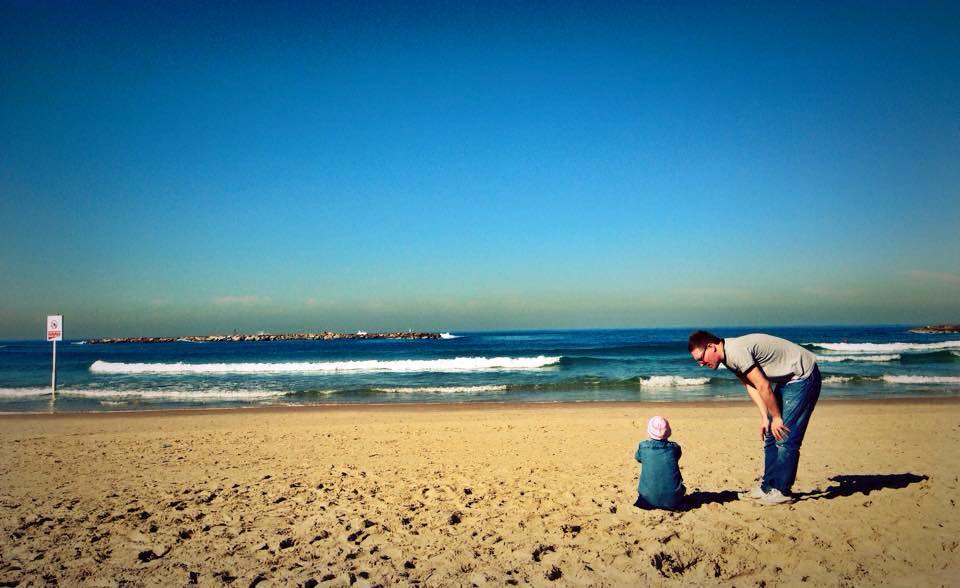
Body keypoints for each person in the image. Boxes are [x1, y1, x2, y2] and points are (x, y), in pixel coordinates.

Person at [688, 330, 821, 505]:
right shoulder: (727, 356)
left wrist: (777, 417)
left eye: (701, 358)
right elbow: (751, 385)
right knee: (770, 435)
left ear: (711, 347)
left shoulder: (735, 352)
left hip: (803, 377)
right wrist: (765, 417)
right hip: (787, 380)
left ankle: (782, 491)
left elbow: (763, 385)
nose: (701, 364)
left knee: (784, 436)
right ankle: (767, 487)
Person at [634, 415, 685, 510]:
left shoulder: (644, 447)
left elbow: (638, 457)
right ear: (668, 432)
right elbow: (677, 457)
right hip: (674, 500)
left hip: (647, 500)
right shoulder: (674, 447)